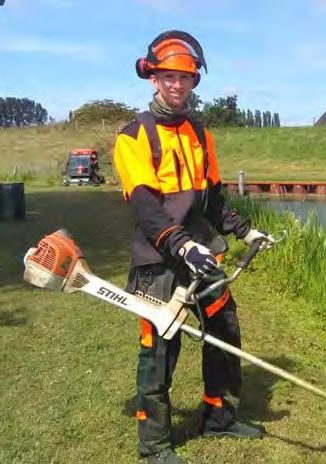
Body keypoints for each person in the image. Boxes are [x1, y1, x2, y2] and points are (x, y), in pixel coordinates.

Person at [113, 30, 274, 464]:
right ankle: (155, 446)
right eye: (169, 76)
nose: (177, 84)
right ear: (153, 78)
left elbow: (213, 199)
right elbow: (147, 208)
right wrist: (181, 246)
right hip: (159, 261)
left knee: (225, 333)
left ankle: (218, 415)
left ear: (193, 82)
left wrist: (245, 231)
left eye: (185, 78)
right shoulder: (133, 136)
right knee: (159, 351)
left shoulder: (200, 134)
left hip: (203, 254)